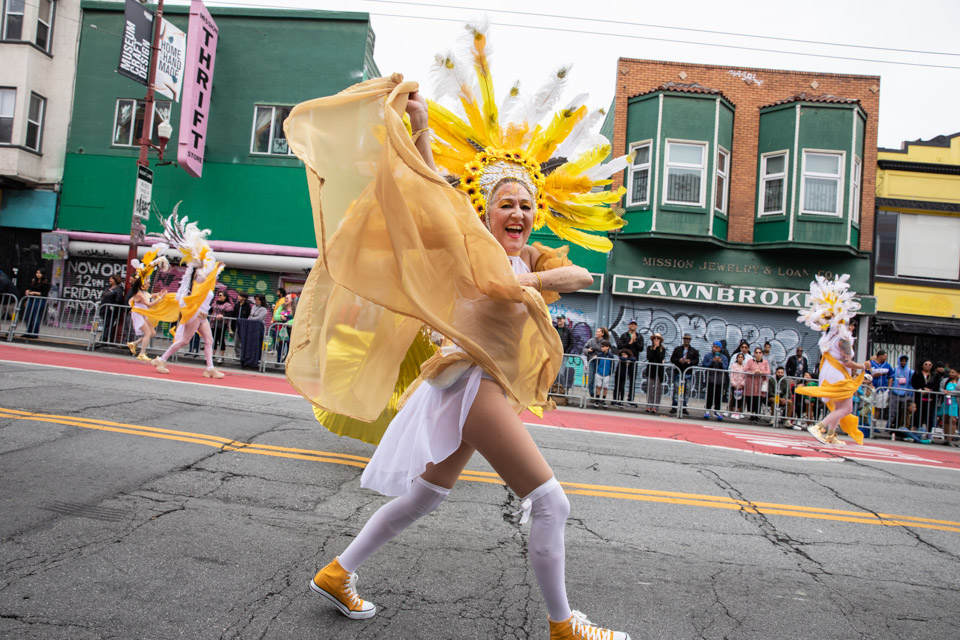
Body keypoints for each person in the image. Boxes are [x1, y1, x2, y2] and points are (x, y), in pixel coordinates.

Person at [284, 43, 631, 640]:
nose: (517, 212)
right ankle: (562, 626)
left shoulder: (530, 257)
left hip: (468, 386)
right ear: (487, 211)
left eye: (525, 205)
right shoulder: (469, 243)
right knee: (551, 504)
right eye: (505, 204)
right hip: (470, 384)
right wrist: (420, 128)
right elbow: (429, 195)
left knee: (424, 497)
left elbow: (580, 276)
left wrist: (523, 281)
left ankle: (339, 572)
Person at [150, 208, 226, 379]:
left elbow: (208, 280)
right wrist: (212, 269)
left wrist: (217, 269)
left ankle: (210, 368)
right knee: (184, 341)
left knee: (209, 341)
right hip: (195, 314)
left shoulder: (206, 279)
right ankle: (161, 360)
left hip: (202, 315)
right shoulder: (198, 279)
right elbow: (203, 280)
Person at [796, 274, 869, 446]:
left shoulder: (830, 336)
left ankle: (830, 434)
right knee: (846, 408)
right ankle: (819, 427)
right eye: (851, 324)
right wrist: (863, 366)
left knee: (839, 407)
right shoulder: (843, 339)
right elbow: (846, 361)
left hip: (830, 373)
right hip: (838, 374)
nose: (851, 326)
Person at [126, 248, 171, 361]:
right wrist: (160, 298)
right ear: (142, 284)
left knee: (152, 333)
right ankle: (142, 353)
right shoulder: (139, 293)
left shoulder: (144, 292)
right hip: (138, 314)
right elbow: (149, 304)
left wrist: (158, 294)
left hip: (142, 314)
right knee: (147, 333)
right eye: (147, 283)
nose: (148, 284)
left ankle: (134, 344)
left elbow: (150, 296)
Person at [669, 333, 699, 416]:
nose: (687, 341)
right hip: (678, 372)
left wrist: (690, 362)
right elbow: (672, 359)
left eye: (688, 339)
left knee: (687, 390)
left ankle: (684, 407)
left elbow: (696, 360)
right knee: (676, 389)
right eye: (685, 339)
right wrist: (679, 360)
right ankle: (674, 406)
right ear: (683, 340)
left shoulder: (693, 350)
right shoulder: (678, 349)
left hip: (688, 373)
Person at [700, 341, 728, 420]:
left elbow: (726, 367)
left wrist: (720, 362)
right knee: (710, 395)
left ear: (720, 348)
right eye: (714, 347)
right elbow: (704, 364)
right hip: (710, 378)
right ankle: (707, 410)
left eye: (716, 347)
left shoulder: (724, 357)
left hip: (720, 379)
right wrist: (712, 361)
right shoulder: (708, 355)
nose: (714, 349)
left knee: (718, 396)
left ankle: (717, 411)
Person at [911, 359, 939, 433]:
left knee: (929, 416)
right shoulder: (917, 373)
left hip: (930, 398)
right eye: (926, 364)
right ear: (922, 365)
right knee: (917, 414)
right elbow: (914, 383)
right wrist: (922, 389)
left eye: (930, 365)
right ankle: (915, 430)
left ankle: (928, 432)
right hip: (919, 397)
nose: (928, 366)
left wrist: (930, 390)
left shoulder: (934, 375)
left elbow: (937, 386)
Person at [21, 268, 50, 339]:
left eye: (39, 273)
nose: (38, 274)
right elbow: (29, 288)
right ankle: (28, 331)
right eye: (37, 273)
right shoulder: (34, 281)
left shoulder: (45, 282)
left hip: (39, 300)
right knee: (28, 316)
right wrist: (28, 291)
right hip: (31, 299)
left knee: (36, 316)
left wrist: (34, 293)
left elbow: (44, 293)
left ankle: (35, 332)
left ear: (43, 274)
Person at [743, 347, 771, 418]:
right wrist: (753, 372)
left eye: (759, 352)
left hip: (760, 384)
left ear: (762, 353)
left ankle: (757, 414)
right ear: (754, 353)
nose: (758, 354)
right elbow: (745, 370)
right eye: (756, 352)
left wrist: (761, 372)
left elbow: (768, 371)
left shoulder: (765, 362)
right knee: (751, 399)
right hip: (751, 383)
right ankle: (752, 414)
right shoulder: (750, 361)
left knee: (758, 399)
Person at [98, 274, 126, 343]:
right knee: (105, 324)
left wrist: (112, 307)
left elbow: (118, 300)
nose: (110, 280)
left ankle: (106, 339)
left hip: (110, 311)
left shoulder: (118, 290)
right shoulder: (109, 288)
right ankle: (103, 338)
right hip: (104, 309)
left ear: (116, 280)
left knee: (108, 325)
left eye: (112, 279)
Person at [889, 355, 913, 431]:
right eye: (902, 361)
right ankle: (889, 426)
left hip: (905, 394)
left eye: (905, 361)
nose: (903, 362)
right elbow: (891, 379)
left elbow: (911, 383)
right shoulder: (894, 370)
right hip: (895, 393)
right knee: (893, 411)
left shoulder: (910, 372)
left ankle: (904, 426)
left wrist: (910, 392)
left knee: (905, 412)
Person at [645, 332, 666, 414]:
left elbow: (661, 357)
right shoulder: (649, 348)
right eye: (655, 338)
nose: (656, 340)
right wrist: (654, 349)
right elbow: (649, 357)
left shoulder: (662, 349)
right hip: (651, 369)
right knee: (650, 388)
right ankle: (649, 405)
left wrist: (657, 348)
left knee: (658, 388)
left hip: (659, 370)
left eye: (658, 338)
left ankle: (655, 406)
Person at [593, 340, 614, 406]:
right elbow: (597, 363)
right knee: (598, 386)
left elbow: (612, 365)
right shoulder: (599, 355)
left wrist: (610, 372)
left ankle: (603, 400)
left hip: (607, 374)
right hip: (599, 372)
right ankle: (597, 400)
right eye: (601, 346)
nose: (602, 348)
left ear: (608, 347)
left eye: (603, 346)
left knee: (605, 387)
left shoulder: (611, 356)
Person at [943, 369, 959, 447]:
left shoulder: (959, 382)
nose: (951, 374)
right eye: (950, 372)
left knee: (953, 420)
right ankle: (946, 438)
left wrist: (951, 392)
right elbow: (941, 388)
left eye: (953, 372)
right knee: (946, 419)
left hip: (955, 402)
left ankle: (950, 439)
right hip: (946, 401)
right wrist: (944, 391)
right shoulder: (945, 380)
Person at [728, 352, 746, 416]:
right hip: (734, 385)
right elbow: (731, 375)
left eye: (741, 357)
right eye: (739, 357)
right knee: (733, 398)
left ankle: (738, 412)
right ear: (737, 358)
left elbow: (745, 377)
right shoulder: (734, 366)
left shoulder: (744, 367)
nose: (740, 358)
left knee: (740, 399)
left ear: (743, 359)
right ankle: (733, 411)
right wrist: (734, 384)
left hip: (741, 386)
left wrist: (742, 384)